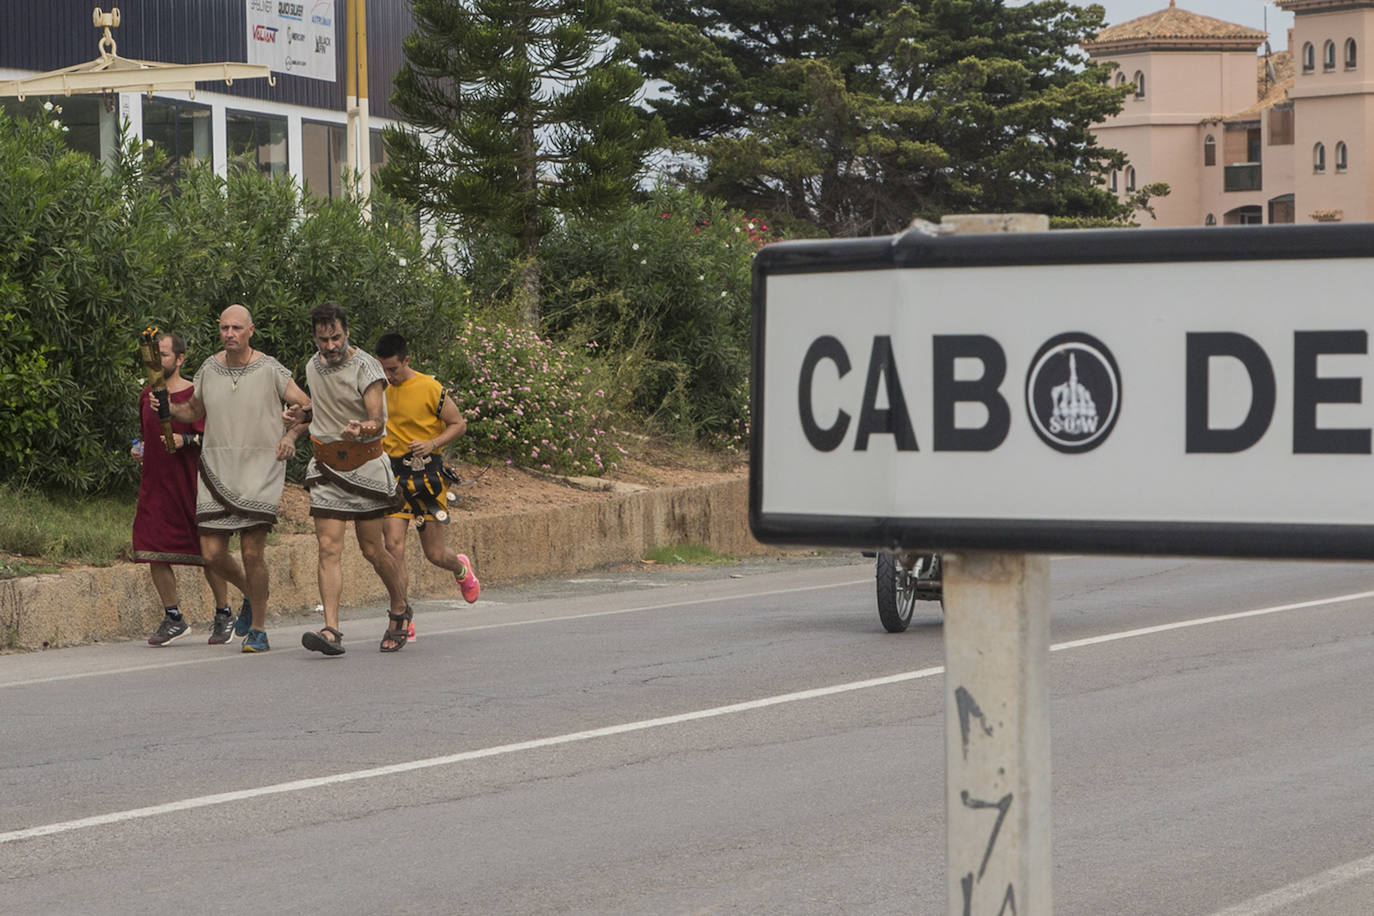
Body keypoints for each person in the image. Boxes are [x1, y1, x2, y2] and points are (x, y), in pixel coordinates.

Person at [162, 304, 312, 653]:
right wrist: (167, 408)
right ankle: (252, 593)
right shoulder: (209, 368)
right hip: (216, 468)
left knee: (251, 552)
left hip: (261, 469)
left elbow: (306, 407)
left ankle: (258, 628)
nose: (229, 334)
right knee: (212, 554)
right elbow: (195, 411)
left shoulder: (270, 368)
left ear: (250, 331)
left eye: (236, 328)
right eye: (224, 328)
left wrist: (291, 435)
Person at [288, 303, 412, 656]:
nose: (330, 346)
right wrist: (300, 414)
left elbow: (378, 420)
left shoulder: (366, 367)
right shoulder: (312, 366)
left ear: (347, 332)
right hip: (326, 468)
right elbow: (319, 410)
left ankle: (399, 609)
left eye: (336, 337)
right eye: (323, 339)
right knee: (328, 547)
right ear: (315, 336)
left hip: (365, 468)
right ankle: (331, 630)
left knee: (373, 549)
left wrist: (363, 428)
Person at [375, 332, 481, 635]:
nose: (388, 375)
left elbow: (459, 423)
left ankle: (460, 567)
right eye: (383, 368)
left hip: (427, 478)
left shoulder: (430, 387)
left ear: (406, 360)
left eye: (393, 369)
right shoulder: (378, 388)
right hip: (393, 479)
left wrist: (432, 442)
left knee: (435, 554)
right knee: (393, 547)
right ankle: (402, 614)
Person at [134, 333, 234, 646]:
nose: (157, 361)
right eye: (154, 355)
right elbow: (147, 434)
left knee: (210, 553)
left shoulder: (196, 394)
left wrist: (186, 440)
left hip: (194, 485)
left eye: (163, 355)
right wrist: (139, 448)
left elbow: (217, 439)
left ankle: (224, 612)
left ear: (180, 359)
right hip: (156, 486)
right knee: (151, 548)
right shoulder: (146, 395)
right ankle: (173, 616)